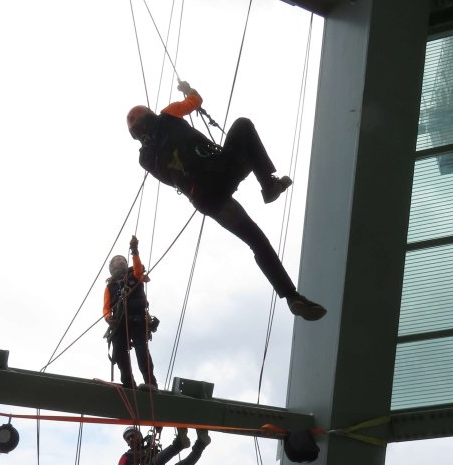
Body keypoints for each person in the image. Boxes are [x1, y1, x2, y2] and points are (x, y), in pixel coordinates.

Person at [126, 82, 326, 321]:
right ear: (150, 114)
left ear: (135, 134)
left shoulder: (145, 160)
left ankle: (292, 296)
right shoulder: (167, 115)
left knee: (255, 240)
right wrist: (187, 89)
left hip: (205, 199)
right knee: (242, 126)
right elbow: (196, 101)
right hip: (220, 171)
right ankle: (269, 186)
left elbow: (171, 179)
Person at [104, 235, 157, 389]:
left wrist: (134, 251)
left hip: (137, 319)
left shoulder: (135, 274)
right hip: (120, 322)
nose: (117, 263)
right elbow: (106, 307)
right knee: (119, 352)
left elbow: (138, 268)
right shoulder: (110, 287)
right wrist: (108, 318)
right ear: (111, 269)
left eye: (120, 261)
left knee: (141, 350)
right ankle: (128, 383)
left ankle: (150, 382)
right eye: (114, 262)